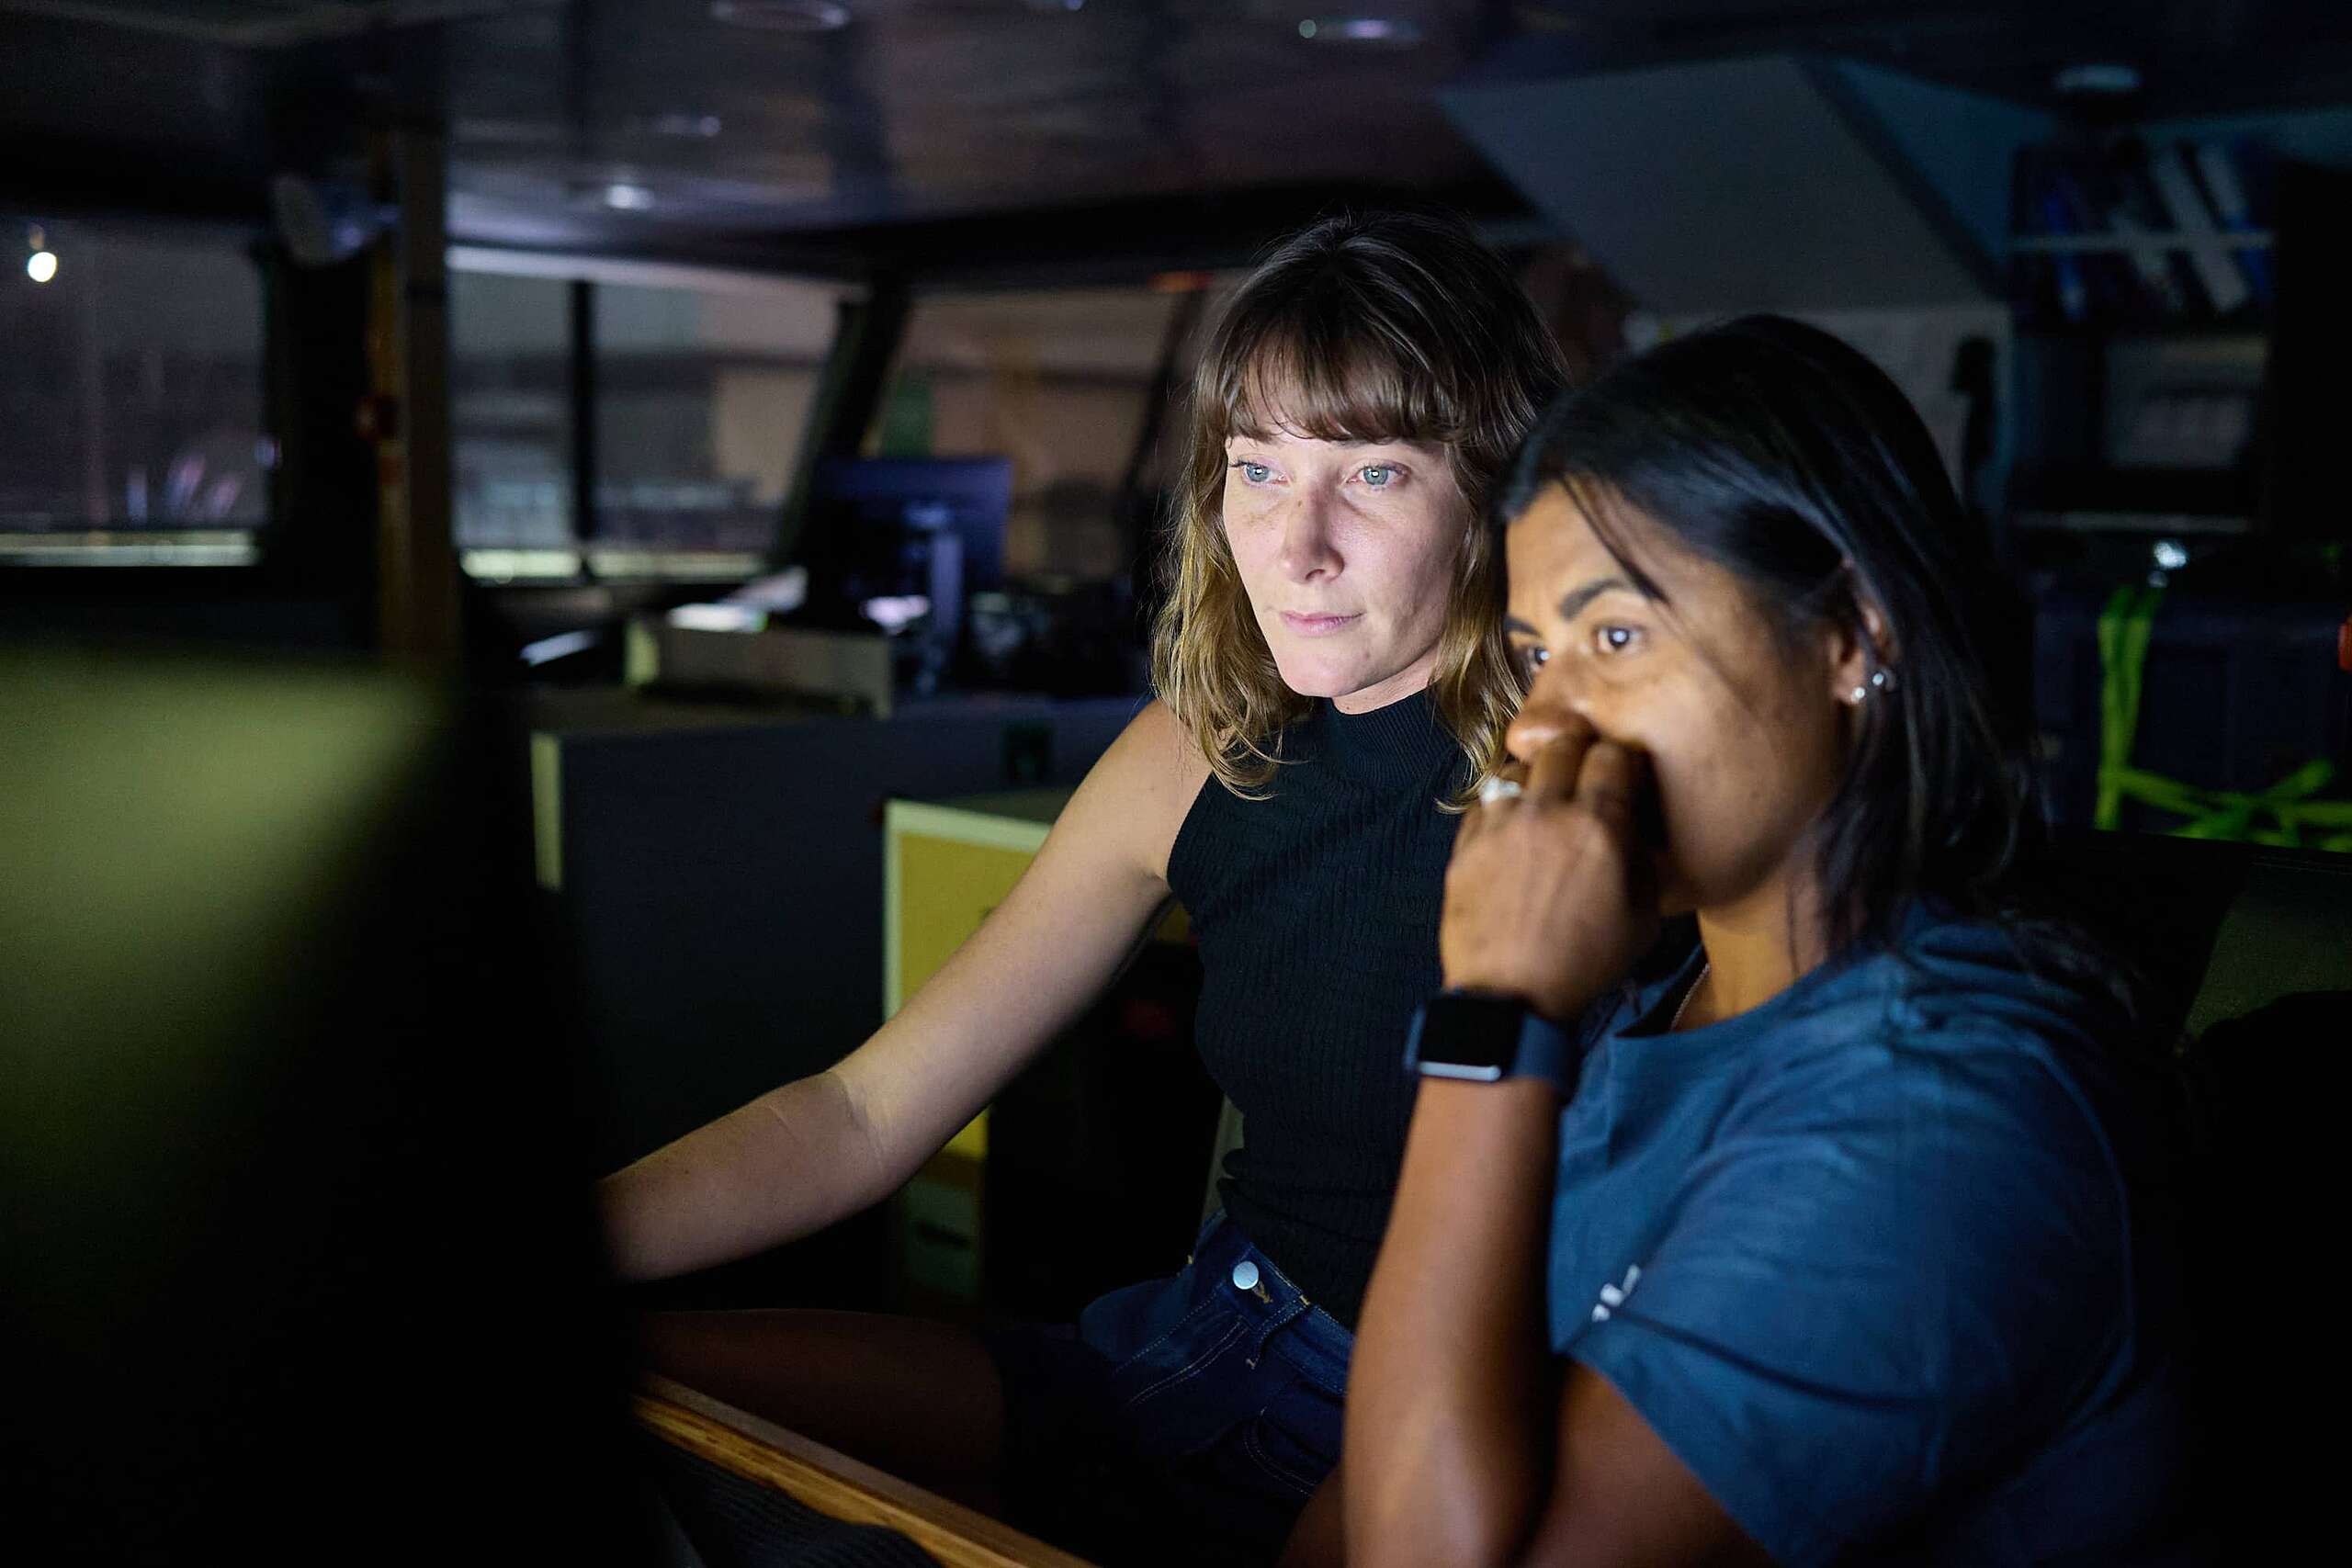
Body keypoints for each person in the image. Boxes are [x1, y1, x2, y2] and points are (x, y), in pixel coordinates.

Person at [598, 209, 1567, 1564]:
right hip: (1178, 1354)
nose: (1294, 547)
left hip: (1428, 1430)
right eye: (1258, 470)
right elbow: (862, 1111)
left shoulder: (1590, 787)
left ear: (1494, 494)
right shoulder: (1192, 753)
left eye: (1376, 477)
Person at [1345, 316, 2199, 1566]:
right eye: (1535, 656)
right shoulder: (1668, 1009)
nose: (1539, 725)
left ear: (1853, 637)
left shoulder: (1945, 1119)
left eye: (1617, 637)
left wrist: (1494, 1006)